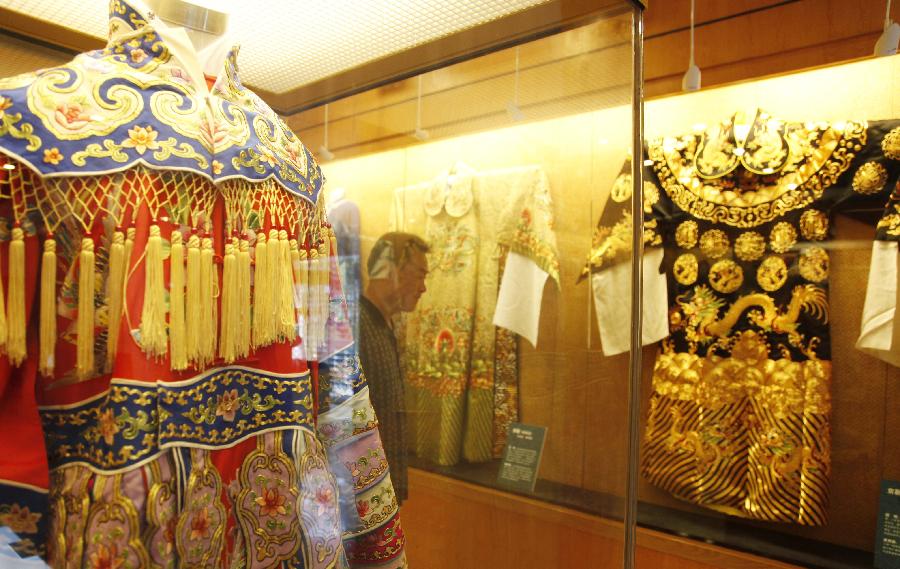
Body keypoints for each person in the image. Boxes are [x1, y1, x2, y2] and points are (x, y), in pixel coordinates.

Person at [359, 232, 429, 506]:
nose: (423, 287)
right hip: (364, 502)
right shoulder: (359, 327)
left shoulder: (385, 325)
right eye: (420, 274)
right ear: (390, 271)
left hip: (382, 497)